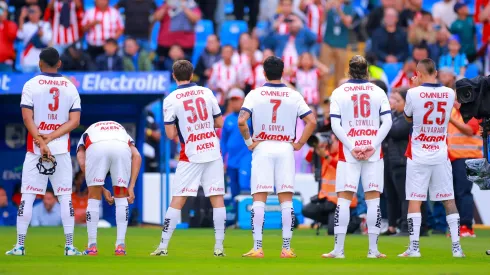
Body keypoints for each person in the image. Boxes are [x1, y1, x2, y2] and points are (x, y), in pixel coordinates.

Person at [238, 56, 317, 258]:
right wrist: (299, 143)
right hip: (284, 147)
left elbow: (241, 121)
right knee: (286, 199)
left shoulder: (255, 94)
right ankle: (286, 248)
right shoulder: (294, 95)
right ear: (283, 73)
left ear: (264, 73)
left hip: (262, 147)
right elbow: (312, 121)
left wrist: (249, 143)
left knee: (259, 198)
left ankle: (257, 247)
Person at [6, 47, 82, 256]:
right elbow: (74, 121)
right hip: (60, 150)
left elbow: (27, 118)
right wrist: (51, 137)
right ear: (59, 64)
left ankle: (20, 246)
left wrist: (41, 140)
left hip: (35, 149)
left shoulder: (30, 85)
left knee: (27, 197)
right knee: (65, 197)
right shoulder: (70, 86)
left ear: (40, 63)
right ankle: (69, 246)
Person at [150, 60, 226, 257]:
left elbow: (169, 134)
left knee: (178, 199)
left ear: (174, 76)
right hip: (211, 150)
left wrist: (184, 126)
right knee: (217, 198)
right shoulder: (207, 92)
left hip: (190, 153)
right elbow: (218, 121)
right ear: (192, 75)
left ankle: (163, 246)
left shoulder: (171, 99)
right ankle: (219, 248)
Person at [322, 55, 392, 259]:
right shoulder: (378, 91)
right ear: (367, 71)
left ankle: (338, 249)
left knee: (343, 199)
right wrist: (372, 145)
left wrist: (352, 146)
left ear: (349, 71)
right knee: (373, 200)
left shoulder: (339, 91)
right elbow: (386, 123)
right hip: (373, 151)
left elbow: (335, 124)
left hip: (348, 152)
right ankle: (373, 250)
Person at [399, 58, 464, 258]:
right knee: (448, 199)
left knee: (415, 199)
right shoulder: (448, 93)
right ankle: (456, 247)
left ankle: (414, 248)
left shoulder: (412, 93)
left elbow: (408, 118)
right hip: (440, 153)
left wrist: (414, 87)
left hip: (418, 154)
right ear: (435, 72)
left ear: (418, 74)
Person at [76, 121, 142, 256]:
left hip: (97, 146)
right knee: (121, 196)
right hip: (121, 147)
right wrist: (131, 186)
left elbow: (82, 162)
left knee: (93, 197)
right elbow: (137, 156)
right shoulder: (123, 132)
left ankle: (92, 246)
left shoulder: (87, 133)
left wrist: (98, 188)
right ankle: (120, 246)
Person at [447, 103, 483, 238]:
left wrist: (450, 120)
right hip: (454, 157)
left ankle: (467, 227)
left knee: (464, 192)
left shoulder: (472, 111)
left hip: (470, 157)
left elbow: (469, 130)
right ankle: (457, 226)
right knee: (456, 193)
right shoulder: (452, 112)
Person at [384, 89, 411, 235]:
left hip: (403, 160)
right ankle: (392, 225)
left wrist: (383, 122)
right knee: (391, 195)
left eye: (397, 100)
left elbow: (395, 131)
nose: (392, 102)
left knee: (405, 195)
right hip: (391, 159)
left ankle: (407, 226)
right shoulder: (394, 116)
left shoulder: (407, 118)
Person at [220, 88, 252, 199]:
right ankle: (237, 215)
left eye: (237, 100)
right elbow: (223, 141)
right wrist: (222, 159)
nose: (234, 103)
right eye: (232, 100)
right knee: (233, 189)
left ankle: (246, 214)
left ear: (243, 100)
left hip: (246, 157)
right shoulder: (227, 119)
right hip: (231, 160)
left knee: (244, 186)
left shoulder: (250, 117)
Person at [320, 0, 353, 88]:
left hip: (341, 44)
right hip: (327, 43)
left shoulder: (348, 8)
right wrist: (325, 9)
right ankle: (321, 99)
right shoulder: (328, 6)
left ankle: (337, 98)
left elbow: (348, 22)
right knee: (324, 72)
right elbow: (320, 22)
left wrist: (339, 9)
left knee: (340, 74)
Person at [17, 5, 53, 72]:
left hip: (42, 61)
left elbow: (48, 40)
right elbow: (19, 36)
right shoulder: (25, 26)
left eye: (34, 11)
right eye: (30, 11)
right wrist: (21, 18)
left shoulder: (45, 25)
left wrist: (42, 35)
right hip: (28, 61)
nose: (32, 14)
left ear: (40, 13)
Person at [0, 1, 18, 72]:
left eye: (1, 10)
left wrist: (4, 22)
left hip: (6, 63)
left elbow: (12, 35)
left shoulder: (10, 24)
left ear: (6, 12)